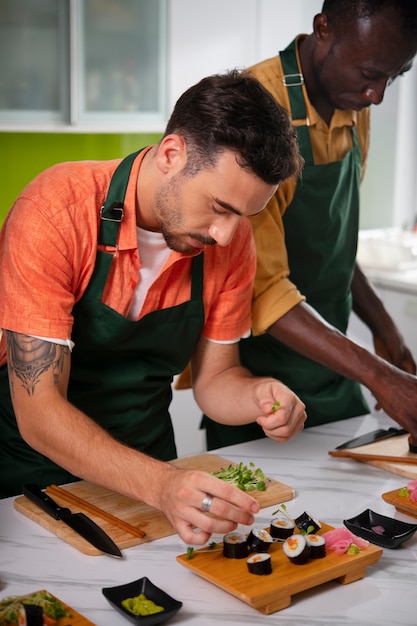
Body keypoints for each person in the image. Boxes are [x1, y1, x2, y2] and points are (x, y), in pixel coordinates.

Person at [0, 70, 306, 544]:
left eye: (242, 216)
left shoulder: (232, 240)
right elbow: (39, 411)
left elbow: (215, 382)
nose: (225, 235)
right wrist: (162, 484)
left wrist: (263, 394)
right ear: (171, 154)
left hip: (155, 477)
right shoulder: (55, 211)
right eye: (219, 207)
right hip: (31, 481)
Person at [197, 0, 417, 451]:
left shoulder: (353, 102)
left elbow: (332, 248)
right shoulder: (256, 109)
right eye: (370, 74)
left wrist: (385, 330)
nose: (377, 95)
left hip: (335, 369)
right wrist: (379, 375)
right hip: (261, 378)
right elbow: (262, 287)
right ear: (324, 29)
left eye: (393, 77)